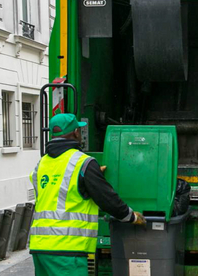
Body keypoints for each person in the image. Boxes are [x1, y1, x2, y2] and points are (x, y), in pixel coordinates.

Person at [29, 113, 146, 276]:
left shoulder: (41, 164)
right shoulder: (83, 163)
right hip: (67, 251)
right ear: (76, 132)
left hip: (39, 248)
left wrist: (90, 176)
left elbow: (59, 190)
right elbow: (107, 199)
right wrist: (131, 216)